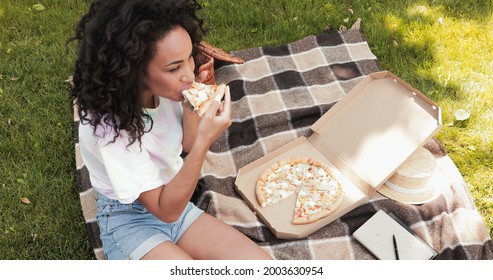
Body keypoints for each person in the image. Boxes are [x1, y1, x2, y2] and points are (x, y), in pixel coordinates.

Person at [69, 0, 272, 260]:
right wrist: (203, 144)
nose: (189, 74)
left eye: (190, 58)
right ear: (133, 70)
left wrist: (190, 111)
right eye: (174, 68)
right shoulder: (112, 130)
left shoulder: (167, 91)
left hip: (173, 198)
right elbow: (166, 211)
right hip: (130, 219)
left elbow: (184, 145)